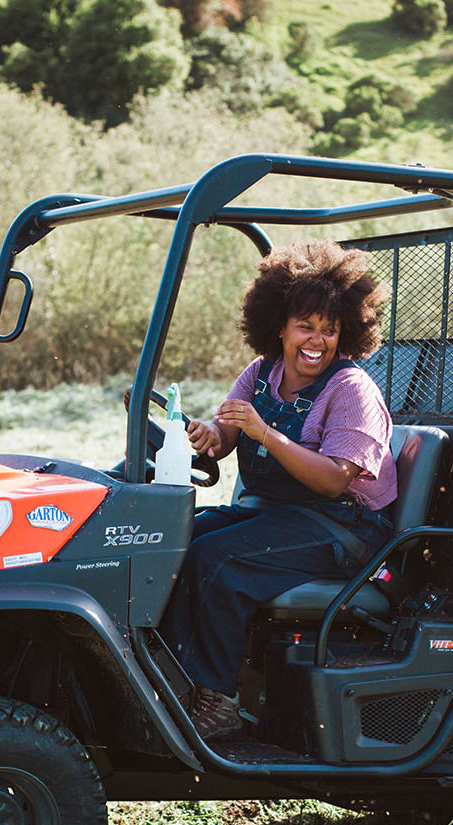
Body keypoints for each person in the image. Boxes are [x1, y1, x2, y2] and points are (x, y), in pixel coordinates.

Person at [159, 239, 396, 741]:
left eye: (329, 330)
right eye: (305, 326)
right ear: (280, 327)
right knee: (176, 543)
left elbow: (335, 478)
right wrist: (209, 435)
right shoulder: (261, 373)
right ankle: (171, 686)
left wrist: (265, 432)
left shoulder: (352, 390)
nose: (317, 340)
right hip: (276, 512)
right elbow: (225, 435)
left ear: (347, 331)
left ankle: (217, 701)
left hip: (343, 527)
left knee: (218, 561)